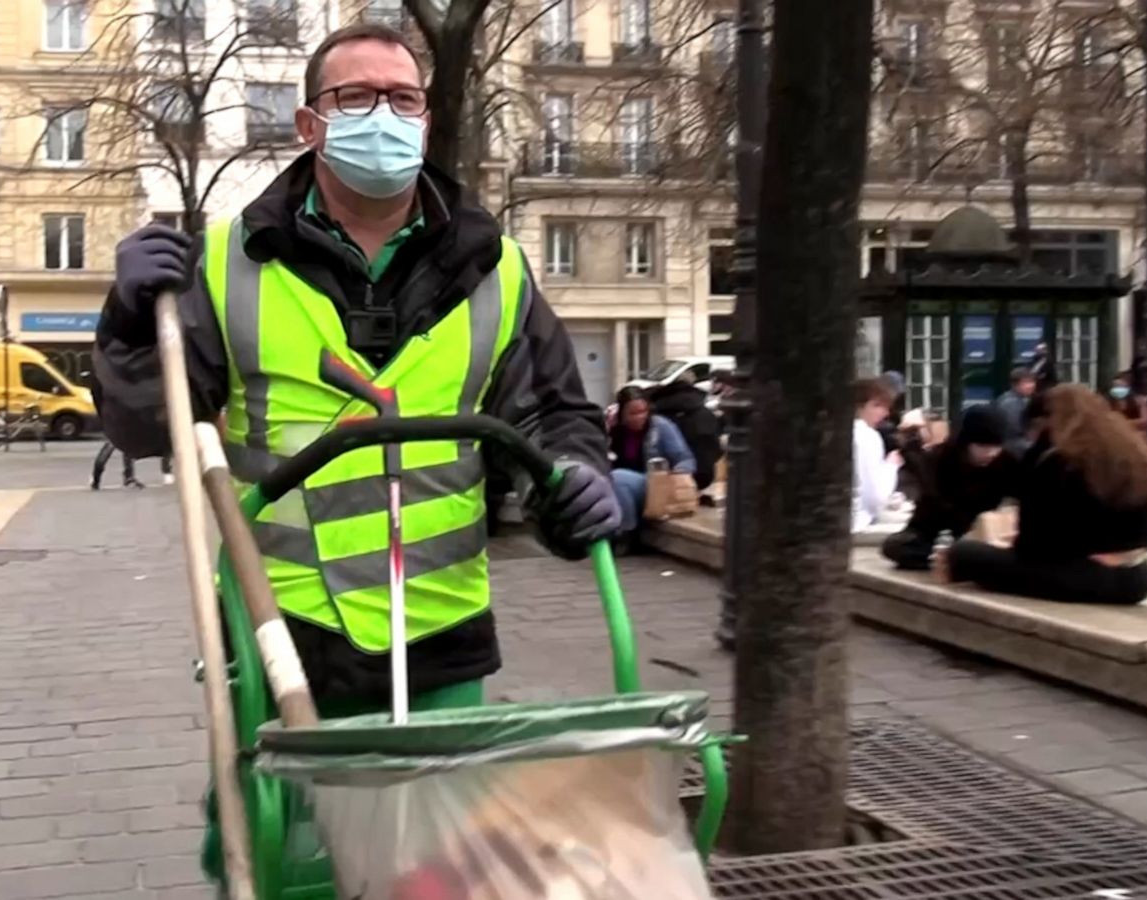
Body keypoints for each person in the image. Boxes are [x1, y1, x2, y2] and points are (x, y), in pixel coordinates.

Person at [93, 22, 616, 709]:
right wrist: (129, 324)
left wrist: (573, 480)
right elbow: (148, 427)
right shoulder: (226, 263)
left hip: (441, 635)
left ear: (426, 124)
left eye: (403, 99)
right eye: (356, 97)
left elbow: (550, 415)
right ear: (310, 124)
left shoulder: (498, 270)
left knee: (437, 818)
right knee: (270, 819)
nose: (383, 116)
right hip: (280, 633)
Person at [939, 386, 1147, 605]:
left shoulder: (1057, 460)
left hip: (1084, 575)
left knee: (964, 553)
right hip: (1137, 577)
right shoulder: (1130, 453)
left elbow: (1034, 545)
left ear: (1043, 423)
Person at [881, 405, 1018, 570]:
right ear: (967, 443)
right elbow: (931, 504)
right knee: (895, 546)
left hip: (982, 532)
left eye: (996, 447)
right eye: (983, 447)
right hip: (936, 531)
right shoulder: (941, 459)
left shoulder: (1007, 463)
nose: (990, 453)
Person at [607, 386, 696, 537]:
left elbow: (685, 459)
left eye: (643, 411)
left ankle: (627, 532)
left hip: (655, 485)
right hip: (624, 487)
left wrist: (678, 471)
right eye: (633, 413)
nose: (639, 417)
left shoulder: (660, 426)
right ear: (622, 413)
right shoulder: (616, 429)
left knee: (618, 477)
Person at [647, 375, 720, 492]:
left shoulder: (661, 415)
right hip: (705, 475)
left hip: (671, 478)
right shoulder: (704, 412)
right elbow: (717, 449)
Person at [853, 377, 904, 532]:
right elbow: (876, 497)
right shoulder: (868, 437)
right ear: (860, 406)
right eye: (877, 405)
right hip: (859, 523)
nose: (885, 413)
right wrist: (891, 465)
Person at [994, 366, 1037, 454]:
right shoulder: (1011, 403)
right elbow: (1015, 429)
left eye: (1032, 382)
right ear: (1015, 385)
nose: (1031, 385)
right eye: (1026, 382)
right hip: (1013, 445)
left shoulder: (1020, 399)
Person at [1106, 370, 1147, 436]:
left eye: (1121, 387)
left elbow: (1145, 421)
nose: (1118, 389)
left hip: (1135, 434)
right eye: (1115, 387)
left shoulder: (1139, 401)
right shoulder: (1108, 402)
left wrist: (1123, 423)